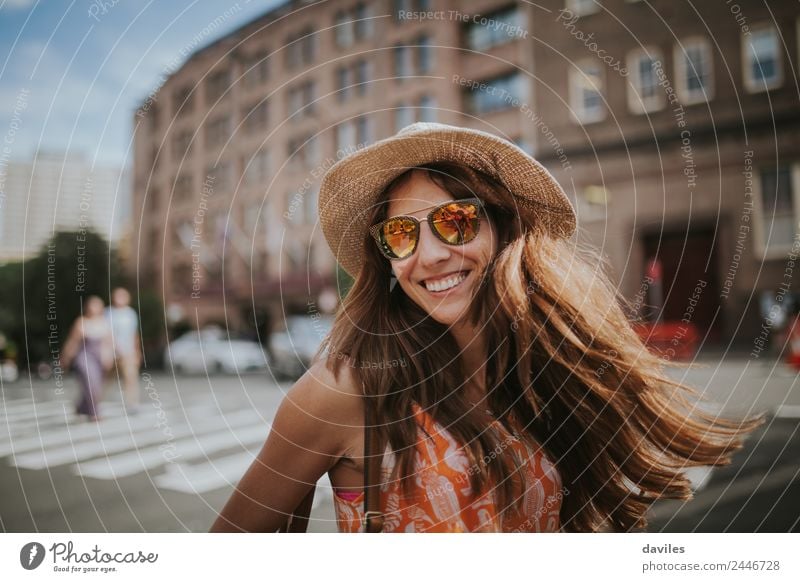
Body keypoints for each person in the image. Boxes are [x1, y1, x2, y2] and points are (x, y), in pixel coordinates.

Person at [211, 122, 761, 533]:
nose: (428, 256)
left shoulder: (541, 365)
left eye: (454, 222)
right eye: (401, 235)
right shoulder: (345, 393)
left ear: (501, 227)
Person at [61, 295, 113, 422]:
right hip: (84, 357)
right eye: (92, 305)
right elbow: (73, 341)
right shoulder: (81, 322)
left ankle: (81, 407)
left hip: (99, 358)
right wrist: (65, 357)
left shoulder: (105, 322)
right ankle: (94, 412)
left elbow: (109, 343)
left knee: (97, 386)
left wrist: (109, 357)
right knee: (91, 382)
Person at [105, 287, 142, 412]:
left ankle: (132, 403)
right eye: (118, 296)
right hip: (111, 353)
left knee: (130, 378)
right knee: (106, 378)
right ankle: (95, 401)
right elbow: (105, 333)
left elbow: (134, 334)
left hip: (128, 352)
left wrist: (137, 351)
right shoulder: (108, 313)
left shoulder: (130, 313)